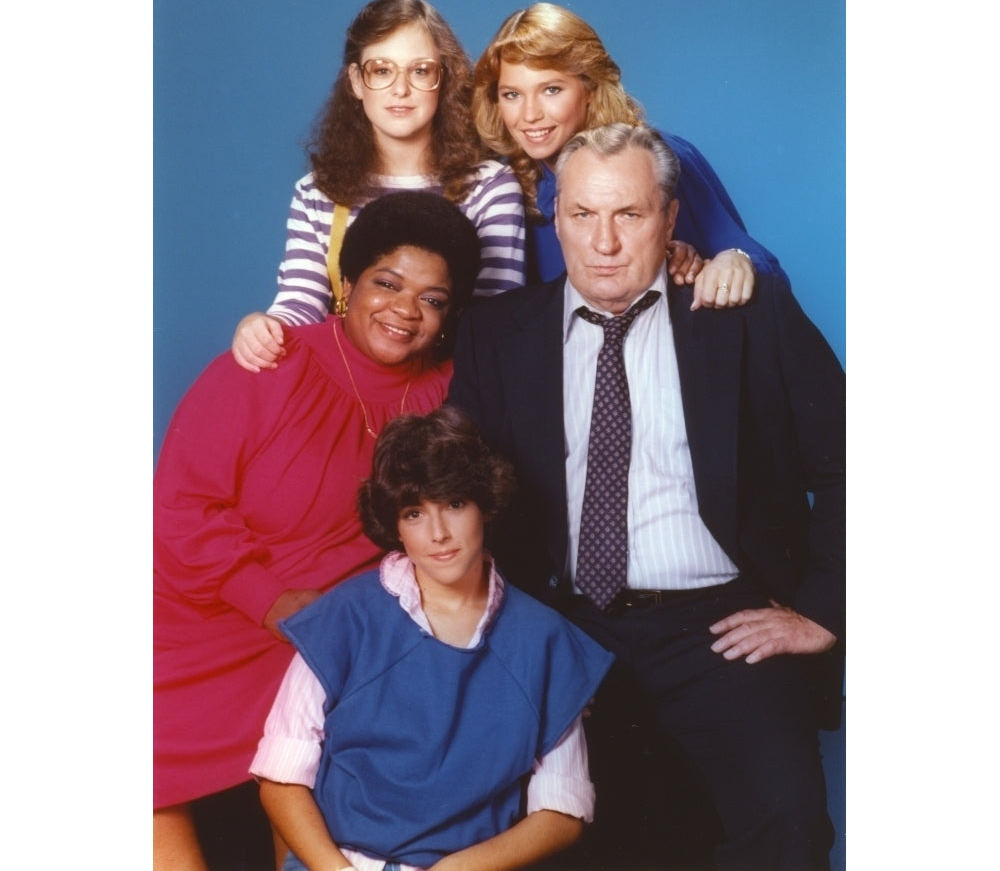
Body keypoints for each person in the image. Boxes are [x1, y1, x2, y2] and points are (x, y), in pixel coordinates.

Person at [447, 124, 845, 870]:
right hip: (563, 627)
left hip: (717, 626)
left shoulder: (748, 318)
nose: (603, 241)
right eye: (583, 215)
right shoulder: (496, 336)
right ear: (554, 217)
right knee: (570, 839)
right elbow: (460, 493)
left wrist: (824, 610)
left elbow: (857, 462)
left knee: (787, 827)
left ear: (668, 219)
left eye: (629, 215)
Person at [154, 192, 483, 871]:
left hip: (320, 639)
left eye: (433, 299)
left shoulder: (453, 394)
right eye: (387, 284)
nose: (405, 310)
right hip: (201, 614)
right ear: (347, 283)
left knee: (320, 756)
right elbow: (183, 506)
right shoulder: (268, 364)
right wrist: (269, 603)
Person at [251, 406, 614, 871]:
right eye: (415, 512)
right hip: (335, 863)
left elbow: (563, 810)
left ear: (485, 504)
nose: (438, 533)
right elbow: (281, 778)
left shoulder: (544, 640)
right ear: (395, 526)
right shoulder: (345, 617)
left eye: (455, 504)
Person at [233, 0, 526, 373]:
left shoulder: (490, 187)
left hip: (451, 395)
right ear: (356, 81)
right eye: (382, 70)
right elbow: (300, 305)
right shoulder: (317, 193)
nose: (400, 89)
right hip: (349, 389)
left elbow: (494, 323)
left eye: (420, 71)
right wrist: (260, 328)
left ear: (444, 79)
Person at [472, 1, 787, 307]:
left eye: (551, 89)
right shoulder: (504, 188)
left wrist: (731, 261)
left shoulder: (664, 159)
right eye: (512, 94)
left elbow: (760, 269)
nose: (529, 114)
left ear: (591, 89)